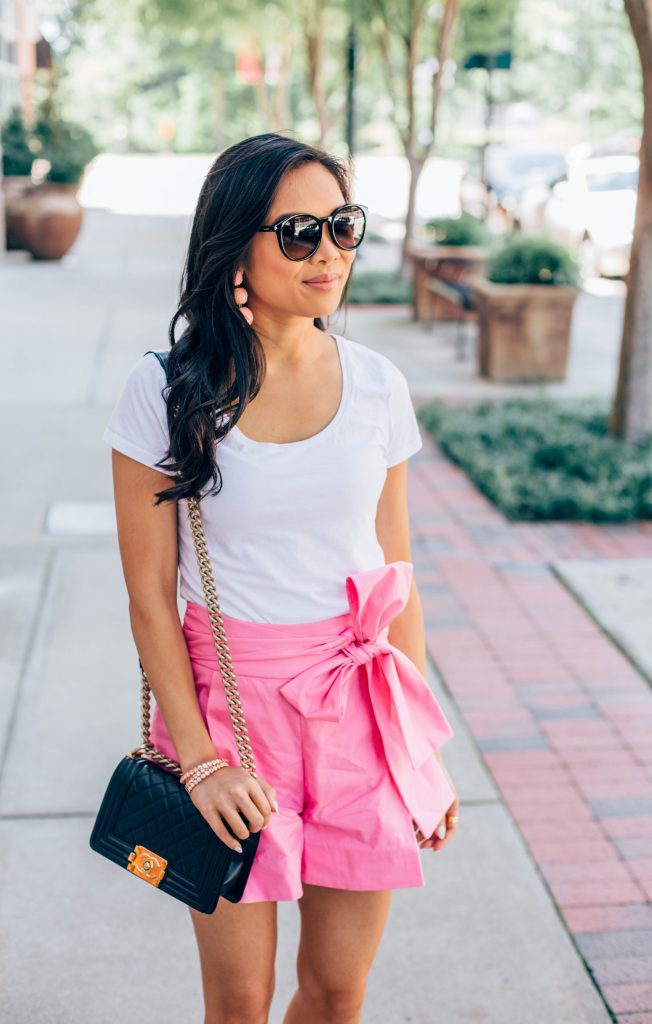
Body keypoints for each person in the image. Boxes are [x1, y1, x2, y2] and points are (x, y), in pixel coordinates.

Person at [102, 131, 460, 1024]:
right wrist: (201, 763)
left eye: (343, 227)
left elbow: (393, 575)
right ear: (235, 248)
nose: (329, 253)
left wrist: (420, 756)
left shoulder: (379, 386)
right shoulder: (169, 391)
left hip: (358, 714)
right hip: (234, 710)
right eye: (299, 232)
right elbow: (150, 600)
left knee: (337, 996)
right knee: (239, 1000)